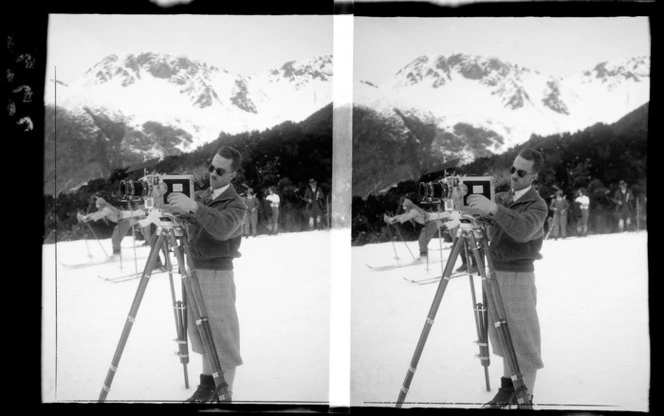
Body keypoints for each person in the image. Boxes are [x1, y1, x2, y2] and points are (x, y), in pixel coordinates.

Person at [466, 147, 547, 408]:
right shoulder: (503, 197)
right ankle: (507, 389)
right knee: (501, 333)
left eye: (521, 172)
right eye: (512, 168)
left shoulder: (537, 205)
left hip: (517, 275)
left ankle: (527, 399)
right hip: (495, 270)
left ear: (534, 176)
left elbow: (523, 229)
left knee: (522, 338)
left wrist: (494, 210)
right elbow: (493, 219)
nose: (514, 174)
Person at [166, 146, 246, 403]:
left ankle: (226, 393)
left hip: (217, 273)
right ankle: (206, 385)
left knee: (222, 336)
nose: (213, 173)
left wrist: (195, 208)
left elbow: (222, 228)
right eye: (211, 167)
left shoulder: (237, 204)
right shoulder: (201, 195)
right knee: (200, 331)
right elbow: (187, 217)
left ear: (233, 174)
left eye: (220, 170)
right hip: (194, 269)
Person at [384, 197, 478, 270]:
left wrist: (394, 220)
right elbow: (403, 215)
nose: (404, 208)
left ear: (408, 206)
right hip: (429, 223)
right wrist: (393, 219)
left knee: (422, 240)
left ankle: (424, 257)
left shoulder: (413, 211)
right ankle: (423, 256)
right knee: (422, 240)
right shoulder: (412, 209)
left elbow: (406, 217)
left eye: (405, 207)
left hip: (431, 224)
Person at [77, 197, 149, 259]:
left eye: (98, 205)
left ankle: (117, 255)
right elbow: (96, 213)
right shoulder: (104, 208)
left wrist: (87, 218)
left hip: (124, 222)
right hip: (122, 222)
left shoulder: (106, 209)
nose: (97, 207)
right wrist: (86, 217)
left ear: (101, 204)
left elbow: (98, 215)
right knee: (115, 238)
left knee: (115, 238)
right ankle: (117, 253)